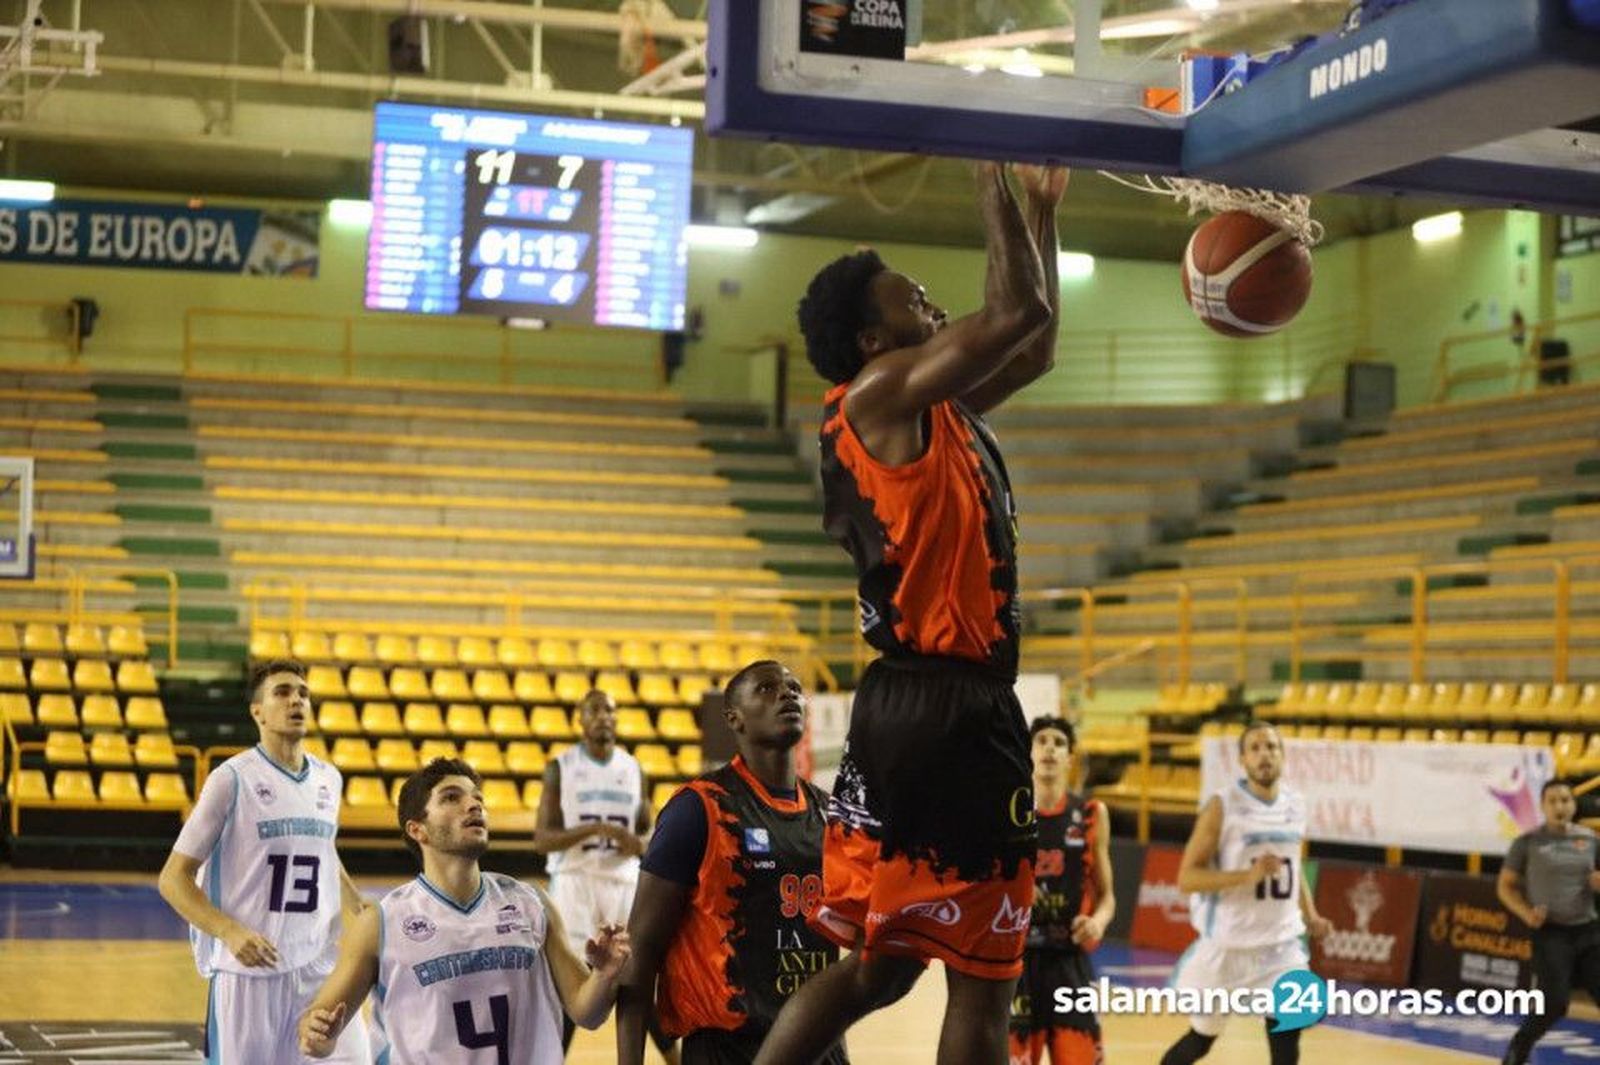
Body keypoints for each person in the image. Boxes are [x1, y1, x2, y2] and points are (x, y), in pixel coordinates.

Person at [755, 162, 1068, 1065]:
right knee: (985, 980)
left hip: (902, 708)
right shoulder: (877, 396)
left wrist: (1038, 213)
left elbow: (1035, 344)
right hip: (955, 709)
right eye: (915, 301)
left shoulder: (932, 407)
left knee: (878, 970)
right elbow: (1017, 315)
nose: (933, 306)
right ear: (869, 339)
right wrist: (988, 175)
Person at [297, 757, 631, 1062]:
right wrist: (316, 1035)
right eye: (451, 797)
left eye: (478, 798)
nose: (473, 804)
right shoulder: (381, 923)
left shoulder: (531, 903)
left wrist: (603, 975)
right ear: (418, 829)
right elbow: (319, 1031)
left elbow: (588, 1014)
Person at [618, 660, 846, 1065]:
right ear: (733, 718)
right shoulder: (700, 808)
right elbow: (641, 954)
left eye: (794, 687)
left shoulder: (829, 813)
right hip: (729, 1048)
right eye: (767, 688)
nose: (788, 693)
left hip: (818, 1046)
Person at [157, 657, 371, 1065]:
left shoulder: (329, 779)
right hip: (249, 976)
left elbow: (323, 848)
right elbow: (173, 879)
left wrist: (356, 905)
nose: (297, 701)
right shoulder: (231, 778)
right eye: (283, 692)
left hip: (318, 967)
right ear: (257, 711)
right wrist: (231, 933)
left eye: (304, 693)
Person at [1159, 721, 1332, 1065]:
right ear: (1242, 760)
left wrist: (1311, 916)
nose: (1264, 754)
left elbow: (1293, 869)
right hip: (1227, 947)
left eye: (1271, 747)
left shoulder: (1296, 804)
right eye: (1255, 748)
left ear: (1282, 755)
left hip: (1279, 947)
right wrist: (1246, 876)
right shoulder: (1222, 806)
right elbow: (1187, 878)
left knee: (1286, 1037)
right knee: (1200, 1041)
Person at [533, 689, 663, 1054]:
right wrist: (596, 830)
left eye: (611, 710)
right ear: (581, 718)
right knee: (570, 986)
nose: (604, 716)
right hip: (575, 884)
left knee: (637, 980)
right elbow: (542, 839)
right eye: (596, 710)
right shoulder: (560, 767)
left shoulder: (634, 768)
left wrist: (636, 843)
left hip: (623, 882)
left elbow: (647, 836)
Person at [1009, 717, 1114, 1065]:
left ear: (1070, 757)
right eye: (1041, 741)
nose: (1050, 748)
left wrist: (1098, 922)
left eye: (1059, 742)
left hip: (1070, 960)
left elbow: (1108, 896)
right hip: (1019, 962)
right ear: (1028, 753)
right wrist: (1016, 892)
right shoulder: (1009, 815)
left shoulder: (1090, 814)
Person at [1497, 779, 1600, 1065]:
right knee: (1554, 1004)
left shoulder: (1591, 839)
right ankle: (1519, 1049)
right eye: (1552, 801)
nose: (1560, 806)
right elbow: (1505, 886)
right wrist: (1526, 913)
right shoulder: (1528, 842)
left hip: (1589, 931)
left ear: (1574, 804)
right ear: (1542, 806)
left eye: (1565, 800)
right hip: (1551, 934)